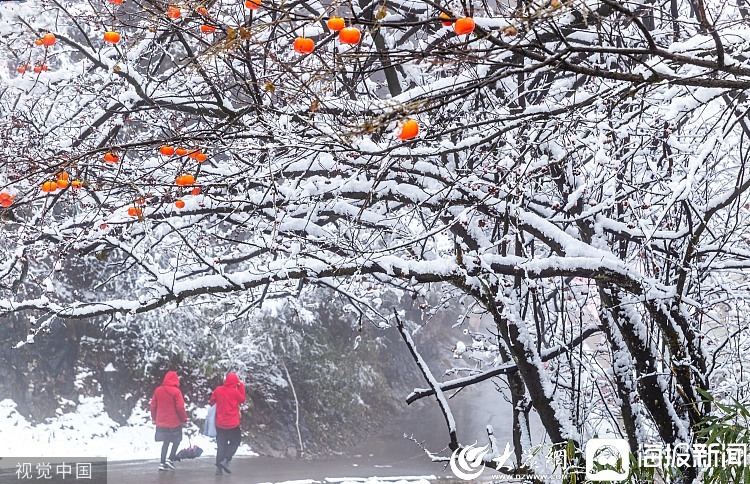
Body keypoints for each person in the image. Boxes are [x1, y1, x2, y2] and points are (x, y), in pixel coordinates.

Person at [150, 371, 188, 471]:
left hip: (161, 422)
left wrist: (154, 418)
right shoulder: (176, 392)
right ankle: (170, 459)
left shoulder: (158, 390)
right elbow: (180, 408)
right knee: (177, 440)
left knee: (165, 442)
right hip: (174, 422)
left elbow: (153, 406)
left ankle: (162, 463)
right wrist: (184, 419)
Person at [210, 372, 246, 475]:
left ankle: (218, 468)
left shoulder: (218, 390)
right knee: (235, 441)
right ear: (235, 382)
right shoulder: (235, 392)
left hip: (220, 423)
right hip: (232, 424)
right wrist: (241, 386)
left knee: (221, 445)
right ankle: (226, 460)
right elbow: (242, 399)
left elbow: (212, 401)